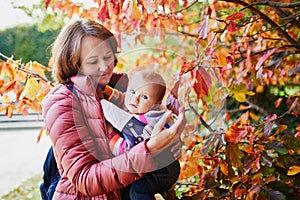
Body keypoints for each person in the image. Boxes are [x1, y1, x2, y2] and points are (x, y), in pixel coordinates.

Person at [41, 18, 186, 200]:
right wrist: (149, 150)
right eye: (93, 61)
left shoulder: (119, 89)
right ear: (74, 63)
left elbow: (142, 130)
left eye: (108, 57)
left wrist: (167, 141)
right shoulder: (62, 103)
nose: (105, 67)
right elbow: (84, 179)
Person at [103, 70, 180, 199]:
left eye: (144, 97)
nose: (135, 99)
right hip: (153, 166)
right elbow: (124, 99)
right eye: (133, 92)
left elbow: (118, 119)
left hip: (164, 170)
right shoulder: (138, 109)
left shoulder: (151, 117)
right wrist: (111, 93)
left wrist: (110, 133)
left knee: (138, 191)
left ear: (157, 104)